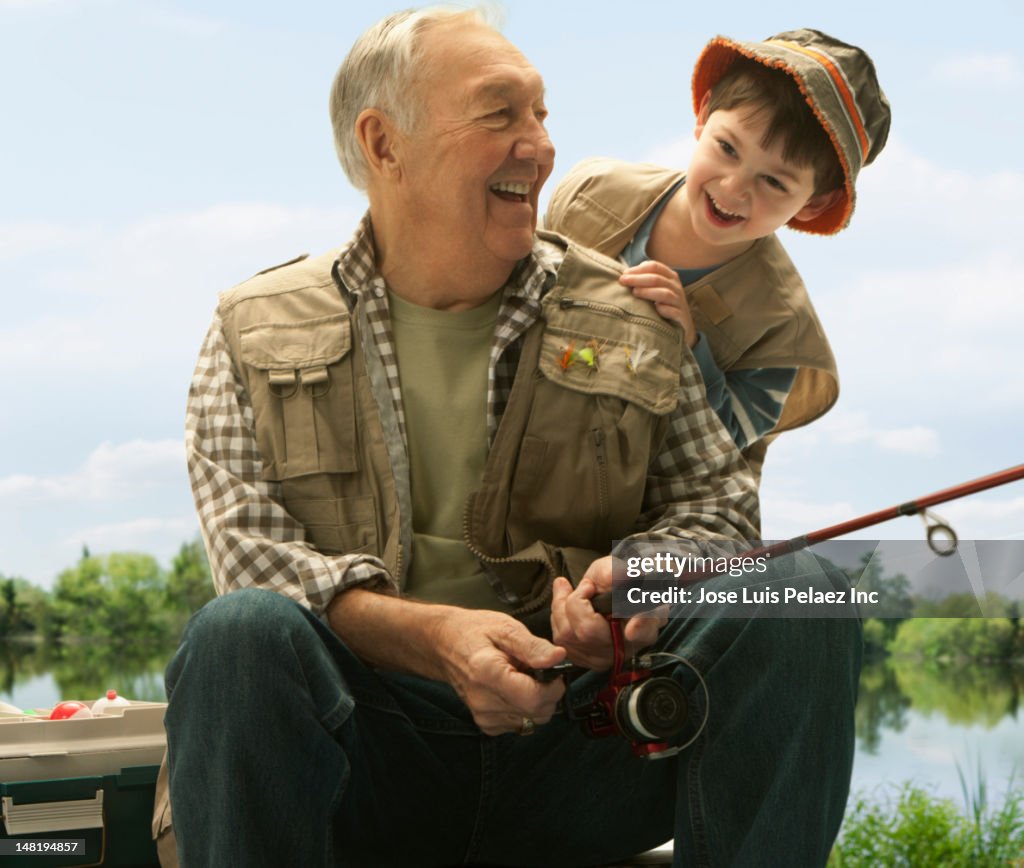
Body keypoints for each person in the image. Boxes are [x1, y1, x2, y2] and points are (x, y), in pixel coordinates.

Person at [160, 8, 862, 867]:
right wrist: (435, 640)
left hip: (584, 745)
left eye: (542, 114)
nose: (539, 145)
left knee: (801, 589)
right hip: (363, 757)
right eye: (501, 114)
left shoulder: (640, 312)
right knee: (238, 635)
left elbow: (715, 514)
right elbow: (254, 561)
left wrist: (644, 582)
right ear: (383, 145)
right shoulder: (246, 328)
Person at [545, 29, 891, 471]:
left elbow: (718, 451)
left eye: (774, 182)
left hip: (646, 510)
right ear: (704, 114)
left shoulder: (780, 330)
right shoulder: (593, 191)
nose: (734, 188)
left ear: (813, 204)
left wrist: (688, 345)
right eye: (727, 148)